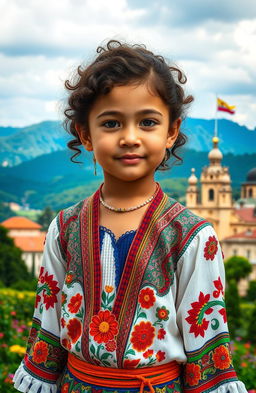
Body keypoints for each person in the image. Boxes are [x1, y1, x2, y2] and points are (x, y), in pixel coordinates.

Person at [13, 40, 247, 393]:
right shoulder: (63, 228)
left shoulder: (193, 237)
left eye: (148, 122)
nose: (130, 138)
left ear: (170, 132)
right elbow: (48, 320)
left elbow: (206, 342)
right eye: (111, 123)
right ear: (85, 135)